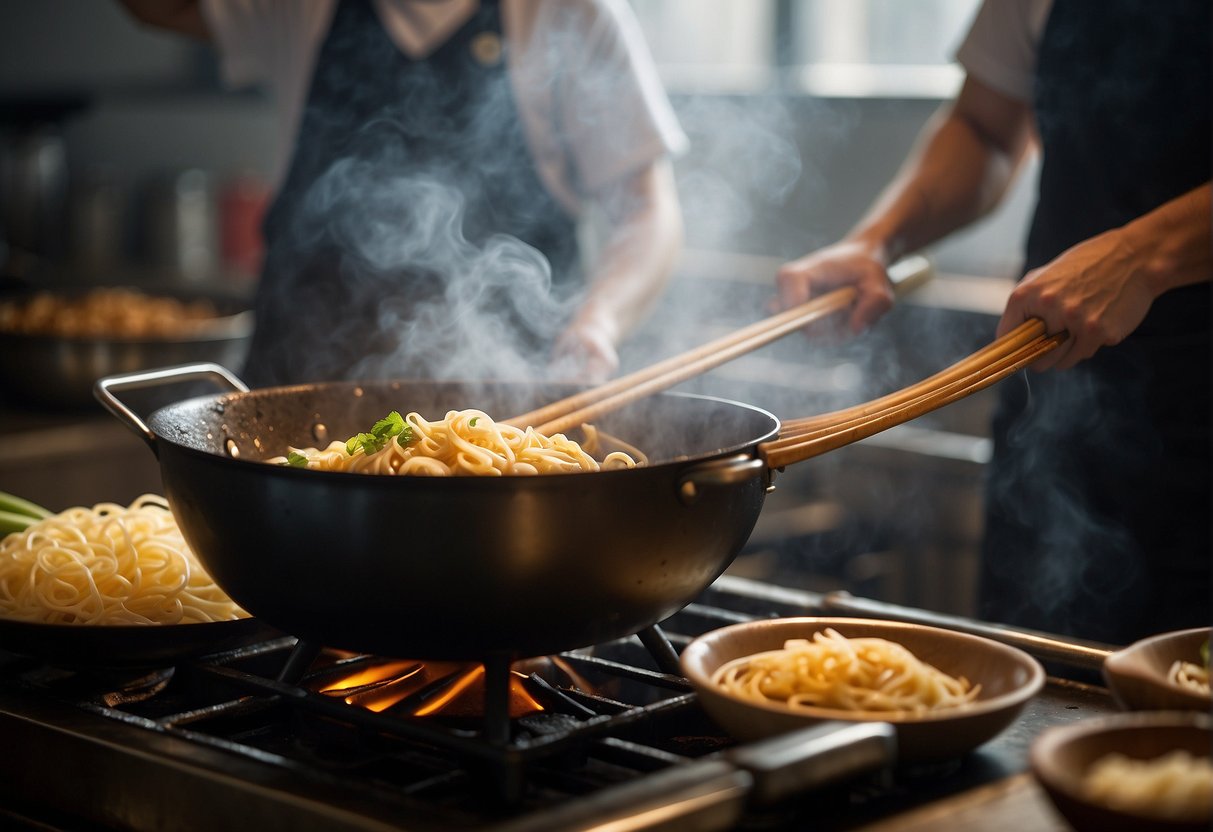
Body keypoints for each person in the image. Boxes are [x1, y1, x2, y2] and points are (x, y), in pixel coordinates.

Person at [775, 0, 1210, 645]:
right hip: (1053, 397)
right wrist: (878, 241)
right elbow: (984, 128)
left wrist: (1142, 256)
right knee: (1028, 673)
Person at [116, 0, 685, 386]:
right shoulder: (303, 8)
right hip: (295, 411)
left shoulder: (566, 10)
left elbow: (647, 210)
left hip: (507, 414)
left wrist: (599, 322)